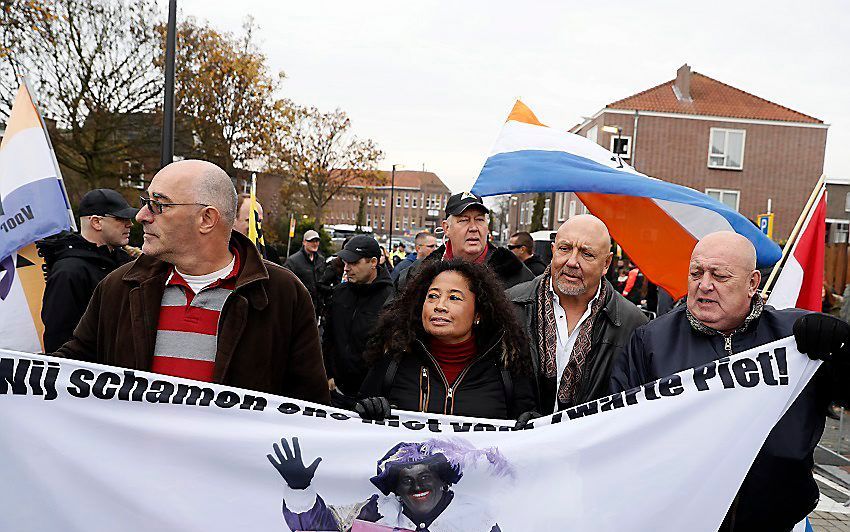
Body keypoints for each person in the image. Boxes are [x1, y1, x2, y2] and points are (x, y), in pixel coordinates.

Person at [609, 231, 850, 531]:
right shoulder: (650, 341)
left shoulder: (796, 339)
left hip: (776, 522)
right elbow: (617, 427)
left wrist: (843, 352)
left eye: (719, 276)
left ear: (752, 284)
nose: (704, 284)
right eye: (696, 272)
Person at [53, 160, 329, 404]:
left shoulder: (281, 294)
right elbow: (68, 370)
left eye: (158, 205)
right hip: (133, 462)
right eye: (145, 202)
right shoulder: (120, 286)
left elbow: (309, 407)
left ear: (207, 218)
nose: (141, 217)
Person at [358, 259, 537, 420]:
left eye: (454, 298)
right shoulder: (393, 360)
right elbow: (356, 423)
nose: (440, 306)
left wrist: (530, 422)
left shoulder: (507, 367)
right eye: (433, 296)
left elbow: (524, 436)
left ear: (478, 313)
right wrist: (371, 411)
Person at [508, 215, 647, 416]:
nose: (572, 262)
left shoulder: (632, 325)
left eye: (586, 254)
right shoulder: (510, 306)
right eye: (565, 249)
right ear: (553, 251)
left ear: (606, 263)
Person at [268, 437, 506, 531]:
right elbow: (320, 528)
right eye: (406, 480)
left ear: (443, 481)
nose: (416, 487)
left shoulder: (478, 518)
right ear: (396, 489)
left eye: (425, 477)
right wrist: (299, 489)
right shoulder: (375, 512)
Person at [38, 189, 137, 352]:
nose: (130, 224)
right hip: (89, 374)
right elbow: (59, 338)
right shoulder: (68, 271)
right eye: (121, 218)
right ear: (96, 222)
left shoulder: (126, 263)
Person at [396, 191, 534, 293]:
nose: (473, 228)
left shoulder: (515, 273)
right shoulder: (417, 274)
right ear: (446, 228)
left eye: (479, 219)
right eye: (464, 220)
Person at [323, 235, 394, 406]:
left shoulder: (391, 298)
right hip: (335, 391)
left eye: (354, 263)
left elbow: (391, 353)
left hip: (372, 400)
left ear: (373, 262)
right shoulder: (340, 293)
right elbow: (328, 337)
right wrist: (327, 373)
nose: (346, 268)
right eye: (345, 263)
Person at [284, 229, 326, 317]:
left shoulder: (321, 260)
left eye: (317, 241)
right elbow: (285, 284)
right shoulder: (293, 261)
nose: (315, 243)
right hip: (300, 308)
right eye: (311, 241)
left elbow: (323, 282)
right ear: (304, 242)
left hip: (318, 308)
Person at [233, 193, 280, 264]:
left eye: (259, 221)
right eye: (249, 221)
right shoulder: (220, 254)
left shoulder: (269, 255)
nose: (254, 226)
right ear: (233, 221)